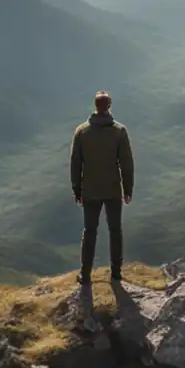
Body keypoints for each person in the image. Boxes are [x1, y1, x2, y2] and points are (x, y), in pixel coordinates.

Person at [70, 90, 134, 286]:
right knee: (115, 231)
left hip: (90, 190)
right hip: (113, 189)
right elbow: (126, 162)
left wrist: (77, 189)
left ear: (95, 106)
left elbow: (75, 162)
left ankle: (86, 275)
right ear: (110, 105)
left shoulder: (82, 132)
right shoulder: (119, 131)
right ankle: (115, 274)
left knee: (90, 231)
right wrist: (128, 188)